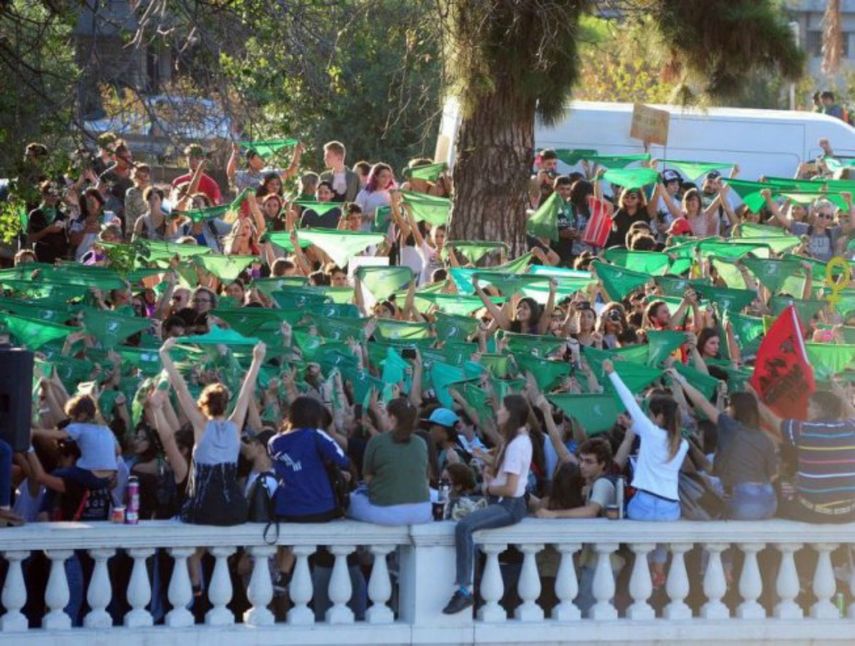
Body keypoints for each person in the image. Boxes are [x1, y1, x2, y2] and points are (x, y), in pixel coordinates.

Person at [158, 337, 266, 525]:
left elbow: (180, 388)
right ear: (226, 404)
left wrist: (164, 353)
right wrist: (257, 359)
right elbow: (246, 390)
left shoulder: (201, 424)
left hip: (203, 509)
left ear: (203, 403)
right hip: (233, 509)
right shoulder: (236, 425)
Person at [442, 395, 534, 615]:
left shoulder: (517, 444)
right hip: (507, 503)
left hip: (508, 505)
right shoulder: (518, 440)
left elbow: (510, 488)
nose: (498, 412)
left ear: (510, 414)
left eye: (501, 409)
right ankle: (466, 587)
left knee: (464, 527)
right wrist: (489, 470)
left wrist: (488, 488)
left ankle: (464, 591)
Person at [671, 372, 777, 520]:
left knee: (691, 481)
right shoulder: (764, 437)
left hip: (745, 505)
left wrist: (681, 380)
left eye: (729, 406)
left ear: (736, 409)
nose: (726, 409)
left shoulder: (730, 427)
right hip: (770, 504)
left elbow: (702, 403)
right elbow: (773, 475)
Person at [755, 386, 855, 523]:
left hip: (813, 513)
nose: (806, 409)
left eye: (809, 406)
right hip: (848, 513)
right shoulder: (851, 428)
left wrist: (754, 400)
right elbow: (852, 414)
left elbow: (770, 419)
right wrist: (843, 397)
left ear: (817, 410)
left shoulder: (806, 430)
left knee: (771, 498)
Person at [347, 397, 431, 525]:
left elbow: (367, 478)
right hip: (422, 512)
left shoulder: (376, 441)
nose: (383, 417)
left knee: (351, 500)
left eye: (385, 413)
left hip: (387, 512)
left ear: (392, 418)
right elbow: (425, 477)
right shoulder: (421, 443)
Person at [267, 396, 351, 522]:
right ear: (316, 417)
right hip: (320, 508)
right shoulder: (315, 435)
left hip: (286, 509)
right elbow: (343, 460)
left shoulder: (273, 441)